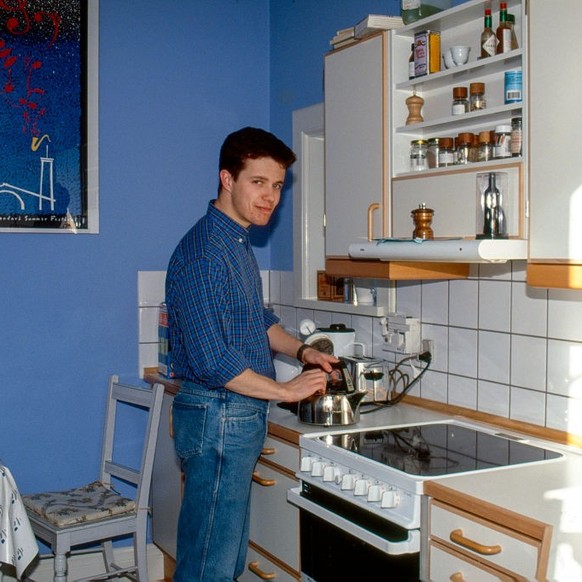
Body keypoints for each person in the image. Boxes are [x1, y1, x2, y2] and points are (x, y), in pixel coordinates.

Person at [165, 126, 338, 582]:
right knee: (209, 566)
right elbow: (212, 361)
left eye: (277, 185)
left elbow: (256, 321)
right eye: (257, 183)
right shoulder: (206, 252)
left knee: (224, 558)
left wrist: (303, 351)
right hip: (218, 416)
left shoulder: (236, 243)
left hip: (232, 417)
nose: (270, 197)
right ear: (227, 179)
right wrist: (284, 390)